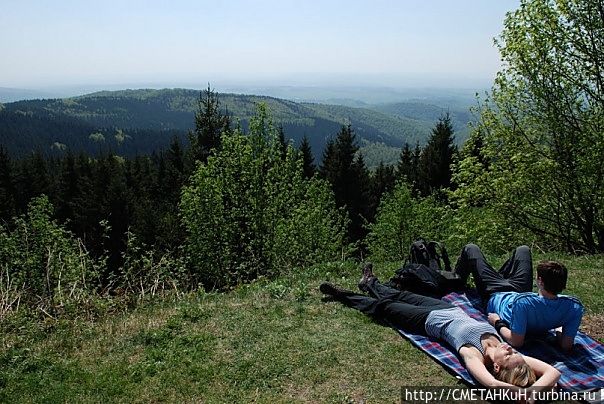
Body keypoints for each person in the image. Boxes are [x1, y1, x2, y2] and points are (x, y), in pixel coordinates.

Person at [319, 263, 561, 390]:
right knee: (398, 294)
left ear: (496, 365)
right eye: (516, 352)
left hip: (426, 321)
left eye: (510, 355)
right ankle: (369, 282)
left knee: (383, 306)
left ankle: (343, 296)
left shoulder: (472, 354)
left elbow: (491, 384)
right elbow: (553, 372)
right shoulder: (505, 349)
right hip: (447, 309)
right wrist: (534, 391)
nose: (513, 350)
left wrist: (516, 393)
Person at [454, 244, 583, 351]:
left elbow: (516, 341)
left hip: (494, 292)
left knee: (471, 248)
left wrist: (497, 322)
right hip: (520, 290)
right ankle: (502, 275)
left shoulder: (524, 304)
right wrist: (560, 327)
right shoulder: (573, 307)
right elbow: (566, 345)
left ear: (540, 281)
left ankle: (455, 281)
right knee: (523, 250)